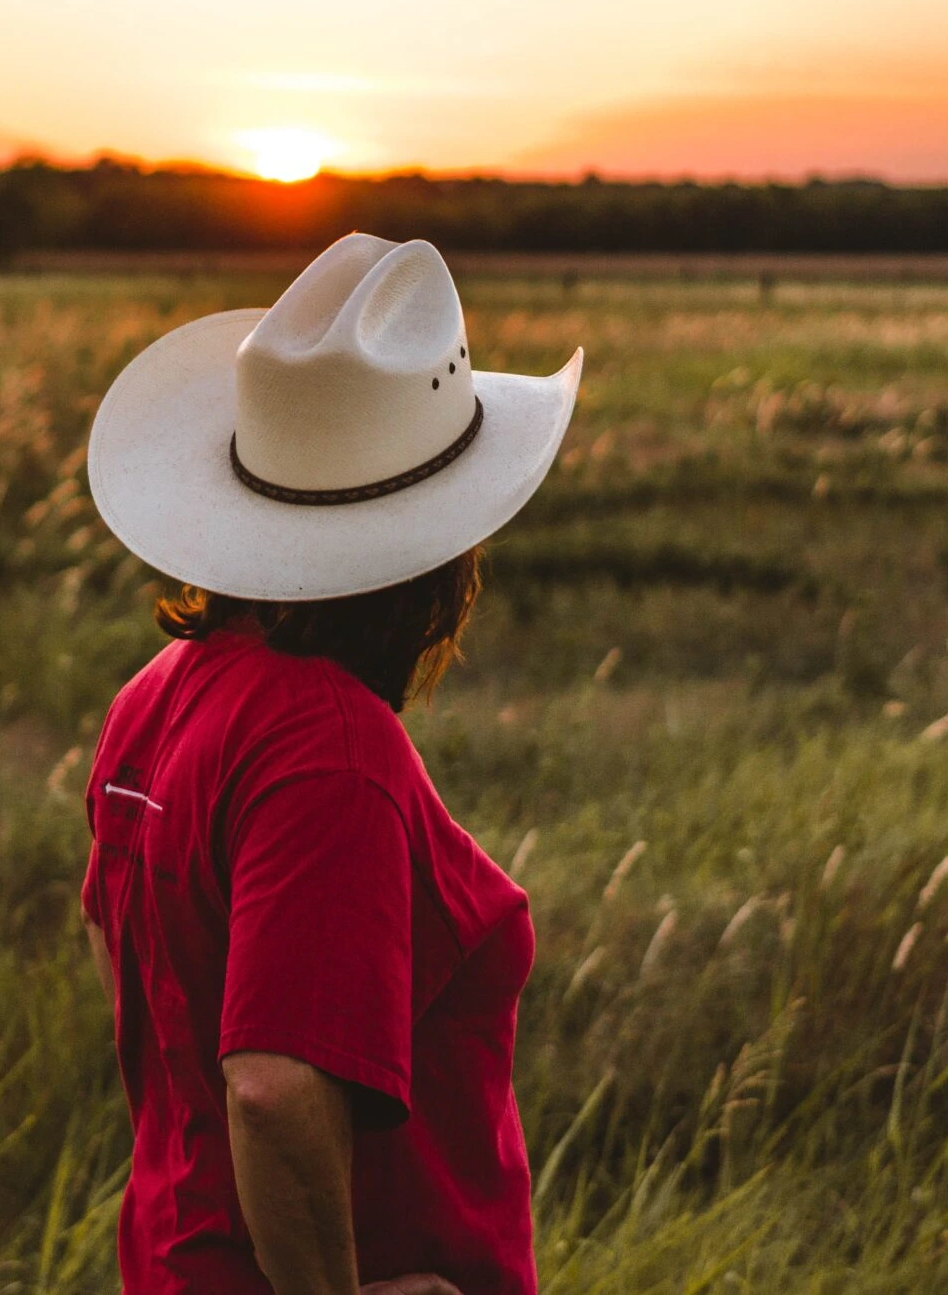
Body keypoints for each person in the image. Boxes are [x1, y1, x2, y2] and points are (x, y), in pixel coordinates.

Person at [80, 233, 585, 1295]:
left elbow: (119, 951)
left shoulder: (158, 694)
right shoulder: (334, 752)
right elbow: (268, 1084)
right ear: (443, 546)